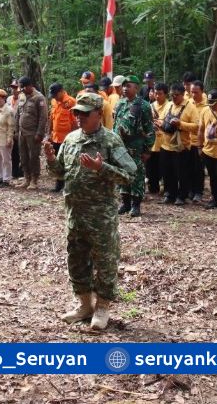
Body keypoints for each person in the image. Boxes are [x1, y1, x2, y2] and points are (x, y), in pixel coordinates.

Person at [45, 92, 136, 331]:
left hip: (101, 217)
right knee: (76, 259)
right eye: (77, 113)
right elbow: (60, 173)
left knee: (105, 261)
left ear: (98, 114)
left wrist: (101, 167)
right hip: (75, 214)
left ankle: (102, 307)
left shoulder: (110, 141)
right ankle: (84, 304)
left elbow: (130, 175)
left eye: (85, 114)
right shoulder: (71, 139)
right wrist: (51, 159)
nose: (80, 117)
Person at [113, 75, 156, 217]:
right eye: (124, 86)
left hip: (136, 147)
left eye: (128, 86)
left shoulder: (143, 105)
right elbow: (115, 124)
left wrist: (148, 149)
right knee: (122, 173)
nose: (125, 88)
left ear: (136, 88)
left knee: (137, 175)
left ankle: (136, 205)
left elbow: (149, 128)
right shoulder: (120, 104)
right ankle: (125, 203)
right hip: (120, 146)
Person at [156, 83, 199, 206]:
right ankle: (170, 194)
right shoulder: (169, 105)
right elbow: (162, 119)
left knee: (181, 173)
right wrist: (159, 124)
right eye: (172, 95)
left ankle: (182, 195)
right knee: (167, 172)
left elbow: (196, 126)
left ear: (183, 94)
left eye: (176, 95)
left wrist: (180, 124)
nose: (174, 97)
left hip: (181, 146)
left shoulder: (190, 107)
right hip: (165, 144)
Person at [15, 76, 48, 189]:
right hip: (22, 132)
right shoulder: (22, 97)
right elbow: (18, 114)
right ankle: (26, 178)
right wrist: (17, 131)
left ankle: (34, 180)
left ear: (29, 86)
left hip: (33, 133)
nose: (22, 90)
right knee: (23, 156)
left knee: (33, 156)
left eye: (23, 88)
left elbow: (43, 117)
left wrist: (40, 133)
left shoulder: (39, 98)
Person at [48, 82, 76, 193]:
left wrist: (74, 137)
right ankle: (59, 184)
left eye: (55, 94)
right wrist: (49, 133)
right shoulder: (54, 101)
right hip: (55, 137)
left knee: (68, 162)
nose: (54, 97)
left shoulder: (71, 102)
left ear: (61, 92)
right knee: (57, 162)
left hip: (67, 138)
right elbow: (52, 118)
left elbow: (75, 121)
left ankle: (69, 185)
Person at [187, 80, 208, 202]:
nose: (193, 95)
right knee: (188, 167)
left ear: (202, 91)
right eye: (192, 92)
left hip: (201, 142)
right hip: (188, 141)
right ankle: (190, 190)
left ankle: (198, 191)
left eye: (196, 92)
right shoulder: (188, 103)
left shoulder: (207, 105)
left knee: (199, 168)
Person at [146, 83, 168, 196]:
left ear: (165, 94)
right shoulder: (150, 106)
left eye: (160, 94)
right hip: (152, 141)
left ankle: (166, 189)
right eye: (156, 93)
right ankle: (153, 188)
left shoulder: (170, 106)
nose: (157, 96)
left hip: (165, 142)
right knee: (151, 167)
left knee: (164, 168)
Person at [7, 80, 23, 180]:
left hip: (21, 127)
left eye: (16, 88)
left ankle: (23, 170)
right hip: (11, 127)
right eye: (13, 88)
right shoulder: (9, 99)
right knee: (13, 150)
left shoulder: (23, 99)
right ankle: (14, 170)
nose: (14, 90)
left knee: (21, 149)